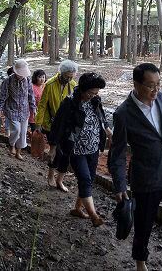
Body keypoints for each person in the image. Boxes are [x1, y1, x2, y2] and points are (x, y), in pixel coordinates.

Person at [108, 63, 162, 271]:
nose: (156, 90)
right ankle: (140, 263)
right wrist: (119, 186)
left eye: (158, 85)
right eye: (150, 86)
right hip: (146, 179)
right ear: (136, 84)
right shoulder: (124, 114)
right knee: (144, 225)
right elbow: (117, 153)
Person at [49, 72, 111, 227]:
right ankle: (93, 215)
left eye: (96, 92)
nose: (93, 95)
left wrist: (108, 132)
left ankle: (77, 208)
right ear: (83, 89)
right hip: (76, 148)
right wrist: (53, 147)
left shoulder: (96, 100)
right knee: (84, 178)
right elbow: (58, 125)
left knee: (88, 179)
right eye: (91, 92)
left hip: (93, 147)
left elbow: (101, 117)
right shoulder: (69, 102)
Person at [35, 60, 78, 192]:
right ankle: (50, 174)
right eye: (67, 76)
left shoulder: (73, 84)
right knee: (57, 151)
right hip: (51, 124)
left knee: (67, 152)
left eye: (71, 76)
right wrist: (38, 123)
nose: (69, 79)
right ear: (61, 73)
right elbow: (42, 104)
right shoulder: (50, 84)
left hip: (67, 124)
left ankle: (60, 180)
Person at [0, 59, 36, 160]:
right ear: (15, 71)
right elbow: (3, 96)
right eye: (20, 73)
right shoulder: (8, 81)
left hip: (24, 110)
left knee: (23, 133)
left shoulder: (28, 81)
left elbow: (31, 96)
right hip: (11, 109)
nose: (22, 75)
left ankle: (18, 152)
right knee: (16, 130)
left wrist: (34, 108)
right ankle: (11, 144)